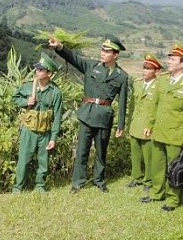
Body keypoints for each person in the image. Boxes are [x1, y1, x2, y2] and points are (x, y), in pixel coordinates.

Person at [48, 34, 129, 193]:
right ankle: (78, 182)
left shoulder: (122, 76)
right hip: (87, 114)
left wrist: (121, 125)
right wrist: (59, 47)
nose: (103, 53)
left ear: (115, 55)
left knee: (101, 151)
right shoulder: (91, 66)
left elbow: (123, 101)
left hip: (104, 117)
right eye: (102, 50)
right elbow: (73, 58)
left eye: (107, 51)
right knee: (82, 150)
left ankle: (99, 180)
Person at [140, 44, 183, 211]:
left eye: (173, 59)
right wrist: (149, 125)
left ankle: (173, 199)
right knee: (157, 165)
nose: (169, 61)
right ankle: (156, 193)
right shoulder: (162, 80)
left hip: (175, 135)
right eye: (169, 58)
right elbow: (154, 105)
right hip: (158, 131)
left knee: (173, 167)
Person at [11, 52, 63, 193]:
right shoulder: (28, 86)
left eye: (41, 69)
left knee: (43, 162)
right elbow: (15, 98)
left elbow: (57, 117)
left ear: (49, 73)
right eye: (37, 68)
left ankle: (40, 186)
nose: (37, 71)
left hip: (44, 133)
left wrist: (53, 138)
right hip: (28, 131)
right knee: (23, 160)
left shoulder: (56, 92)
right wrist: (25, 102)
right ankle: (18, 188)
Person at [127, 53, 162, 191]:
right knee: (135, 153)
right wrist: (129, 122)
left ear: (156, 71)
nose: (145, 71)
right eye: (144, 68)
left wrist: (152, 125)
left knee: (148, 156)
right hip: (136, 123)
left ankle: (148, 180)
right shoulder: (137, 83)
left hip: (148, 125)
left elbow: (158, 108)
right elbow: (132, 105)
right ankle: (136, 177)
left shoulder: (159, 86)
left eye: (149, 68)